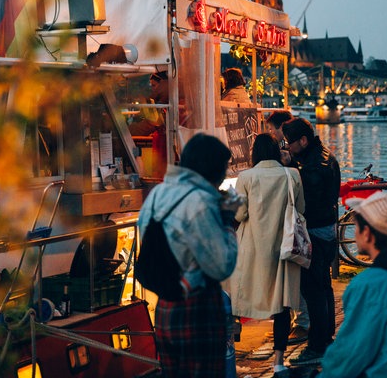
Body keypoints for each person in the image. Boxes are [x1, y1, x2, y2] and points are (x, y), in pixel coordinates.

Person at [137, 133, 239, 377]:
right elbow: (222, 266)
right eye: (224, 169)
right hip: (198, 309)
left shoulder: (158, 195)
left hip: (166, 307)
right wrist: (227, 219)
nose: (224, 175)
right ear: (213, 169)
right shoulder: (201, 201)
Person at [315, 191, 387, 378]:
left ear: (368, 234)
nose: (354, 232)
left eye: (356, 226)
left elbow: (349, 354)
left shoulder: (369, 285)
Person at [226, 133, 305, 378]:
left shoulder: (246, 177)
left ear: (255, 154)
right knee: (281, 305)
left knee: (238, 299)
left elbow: (238, 214)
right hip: (284, 250)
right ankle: (279, 363)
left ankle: (232, 356)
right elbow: (300, 210)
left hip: (253, 249)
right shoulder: (292, 174)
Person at [281, 118, 340, 366]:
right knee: (324, 287)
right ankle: (326, 338)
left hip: (314, 233)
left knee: (314, 291)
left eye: (289, 143)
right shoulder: (323, 156)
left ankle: (317, 345)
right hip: (327, 230)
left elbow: (307, 204)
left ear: (303, 141)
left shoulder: (313, 168)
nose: (288, 147)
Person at [265, 110, 310, 345]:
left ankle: (302, 324)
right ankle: (297, 323)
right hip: (293, 229)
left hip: (292, 230)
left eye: (272, 129)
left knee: (298, 278)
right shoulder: (294, 159)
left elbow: (301, 203)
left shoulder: (294, 161)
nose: (271, 133)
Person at [128, 71, 169, 136]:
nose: (152, 89)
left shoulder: (165, 103)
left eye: (154, 85)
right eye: (151, 86)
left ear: (163, 84)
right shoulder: (156, 101)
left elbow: (152, 123)